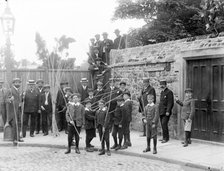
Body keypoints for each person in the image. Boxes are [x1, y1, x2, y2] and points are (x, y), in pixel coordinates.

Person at [5, 78, 24, 145]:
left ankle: (18, 137)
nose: (17, 84)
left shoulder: (19, 91)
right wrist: (10, 99)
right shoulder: (10, 90)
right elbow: (6, 100)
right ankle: (14, 139)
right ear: (13, 83)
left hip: (18, 110)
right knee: (14, 124)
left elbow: (20, 100)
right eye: (16, 82)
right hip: (12, 111)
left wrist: (22, 99)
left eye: (19, 82)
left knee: (19, 123)